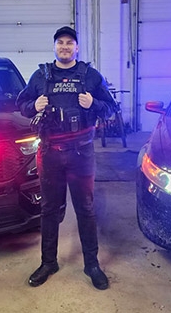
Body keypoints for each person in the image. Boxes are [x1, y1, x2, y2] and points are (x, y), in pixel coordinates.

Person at [15, 26, 116, 290]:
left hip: (81, 153)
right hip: (49, 153)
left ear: (77, 48)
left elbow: (111, 109)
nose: (65, 47)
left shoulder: (90, 76)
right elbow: (21, 104)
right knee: (49, 210)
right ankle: (48, 262)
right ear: (54, 47)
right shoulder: (41, 76)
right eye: (60, 42)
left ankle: (92, 264)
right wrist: (32, 106)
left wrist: (92, 103)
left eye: (70, 43)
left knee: (86, 209)